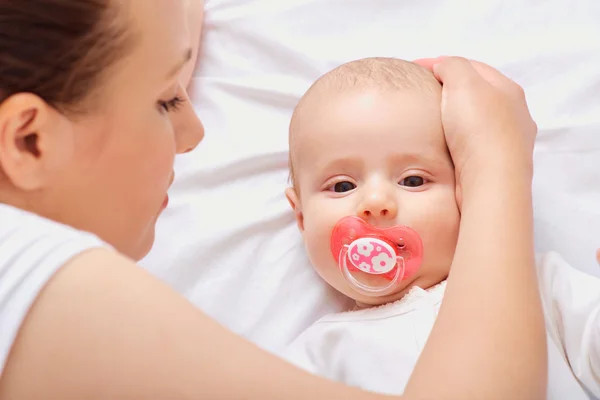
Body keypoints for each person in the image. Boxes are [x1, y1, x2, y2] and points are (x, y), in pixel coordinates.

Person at [0, 1, 546, 399]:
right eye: (166, 99)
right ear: (29, 140)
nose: (194, 134)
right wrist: (496, 162)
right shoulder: (44, 285)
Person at [283, 57, 600, 399]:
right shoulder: (316, 357)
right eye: (343, 186)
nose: (375, 202)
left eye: (413, 179)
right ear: (301, 218)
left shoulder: (535, 281)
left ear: (467, 191)